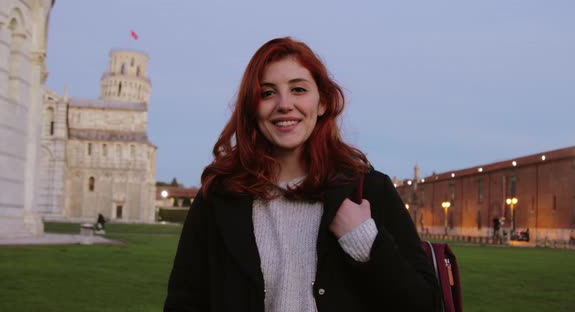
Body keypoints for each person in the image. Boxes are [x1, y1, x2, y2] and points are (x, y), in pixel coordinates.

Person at [164, 37, 440, 312]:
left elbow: (425, 304)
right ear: (252, 107)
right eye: (267, 93)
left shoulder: (369, 190)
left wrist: (365, 242)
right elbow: (184, 301)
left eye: (298, 89)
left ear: (322, 103)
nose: (284, 104)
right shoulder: (219, 198)